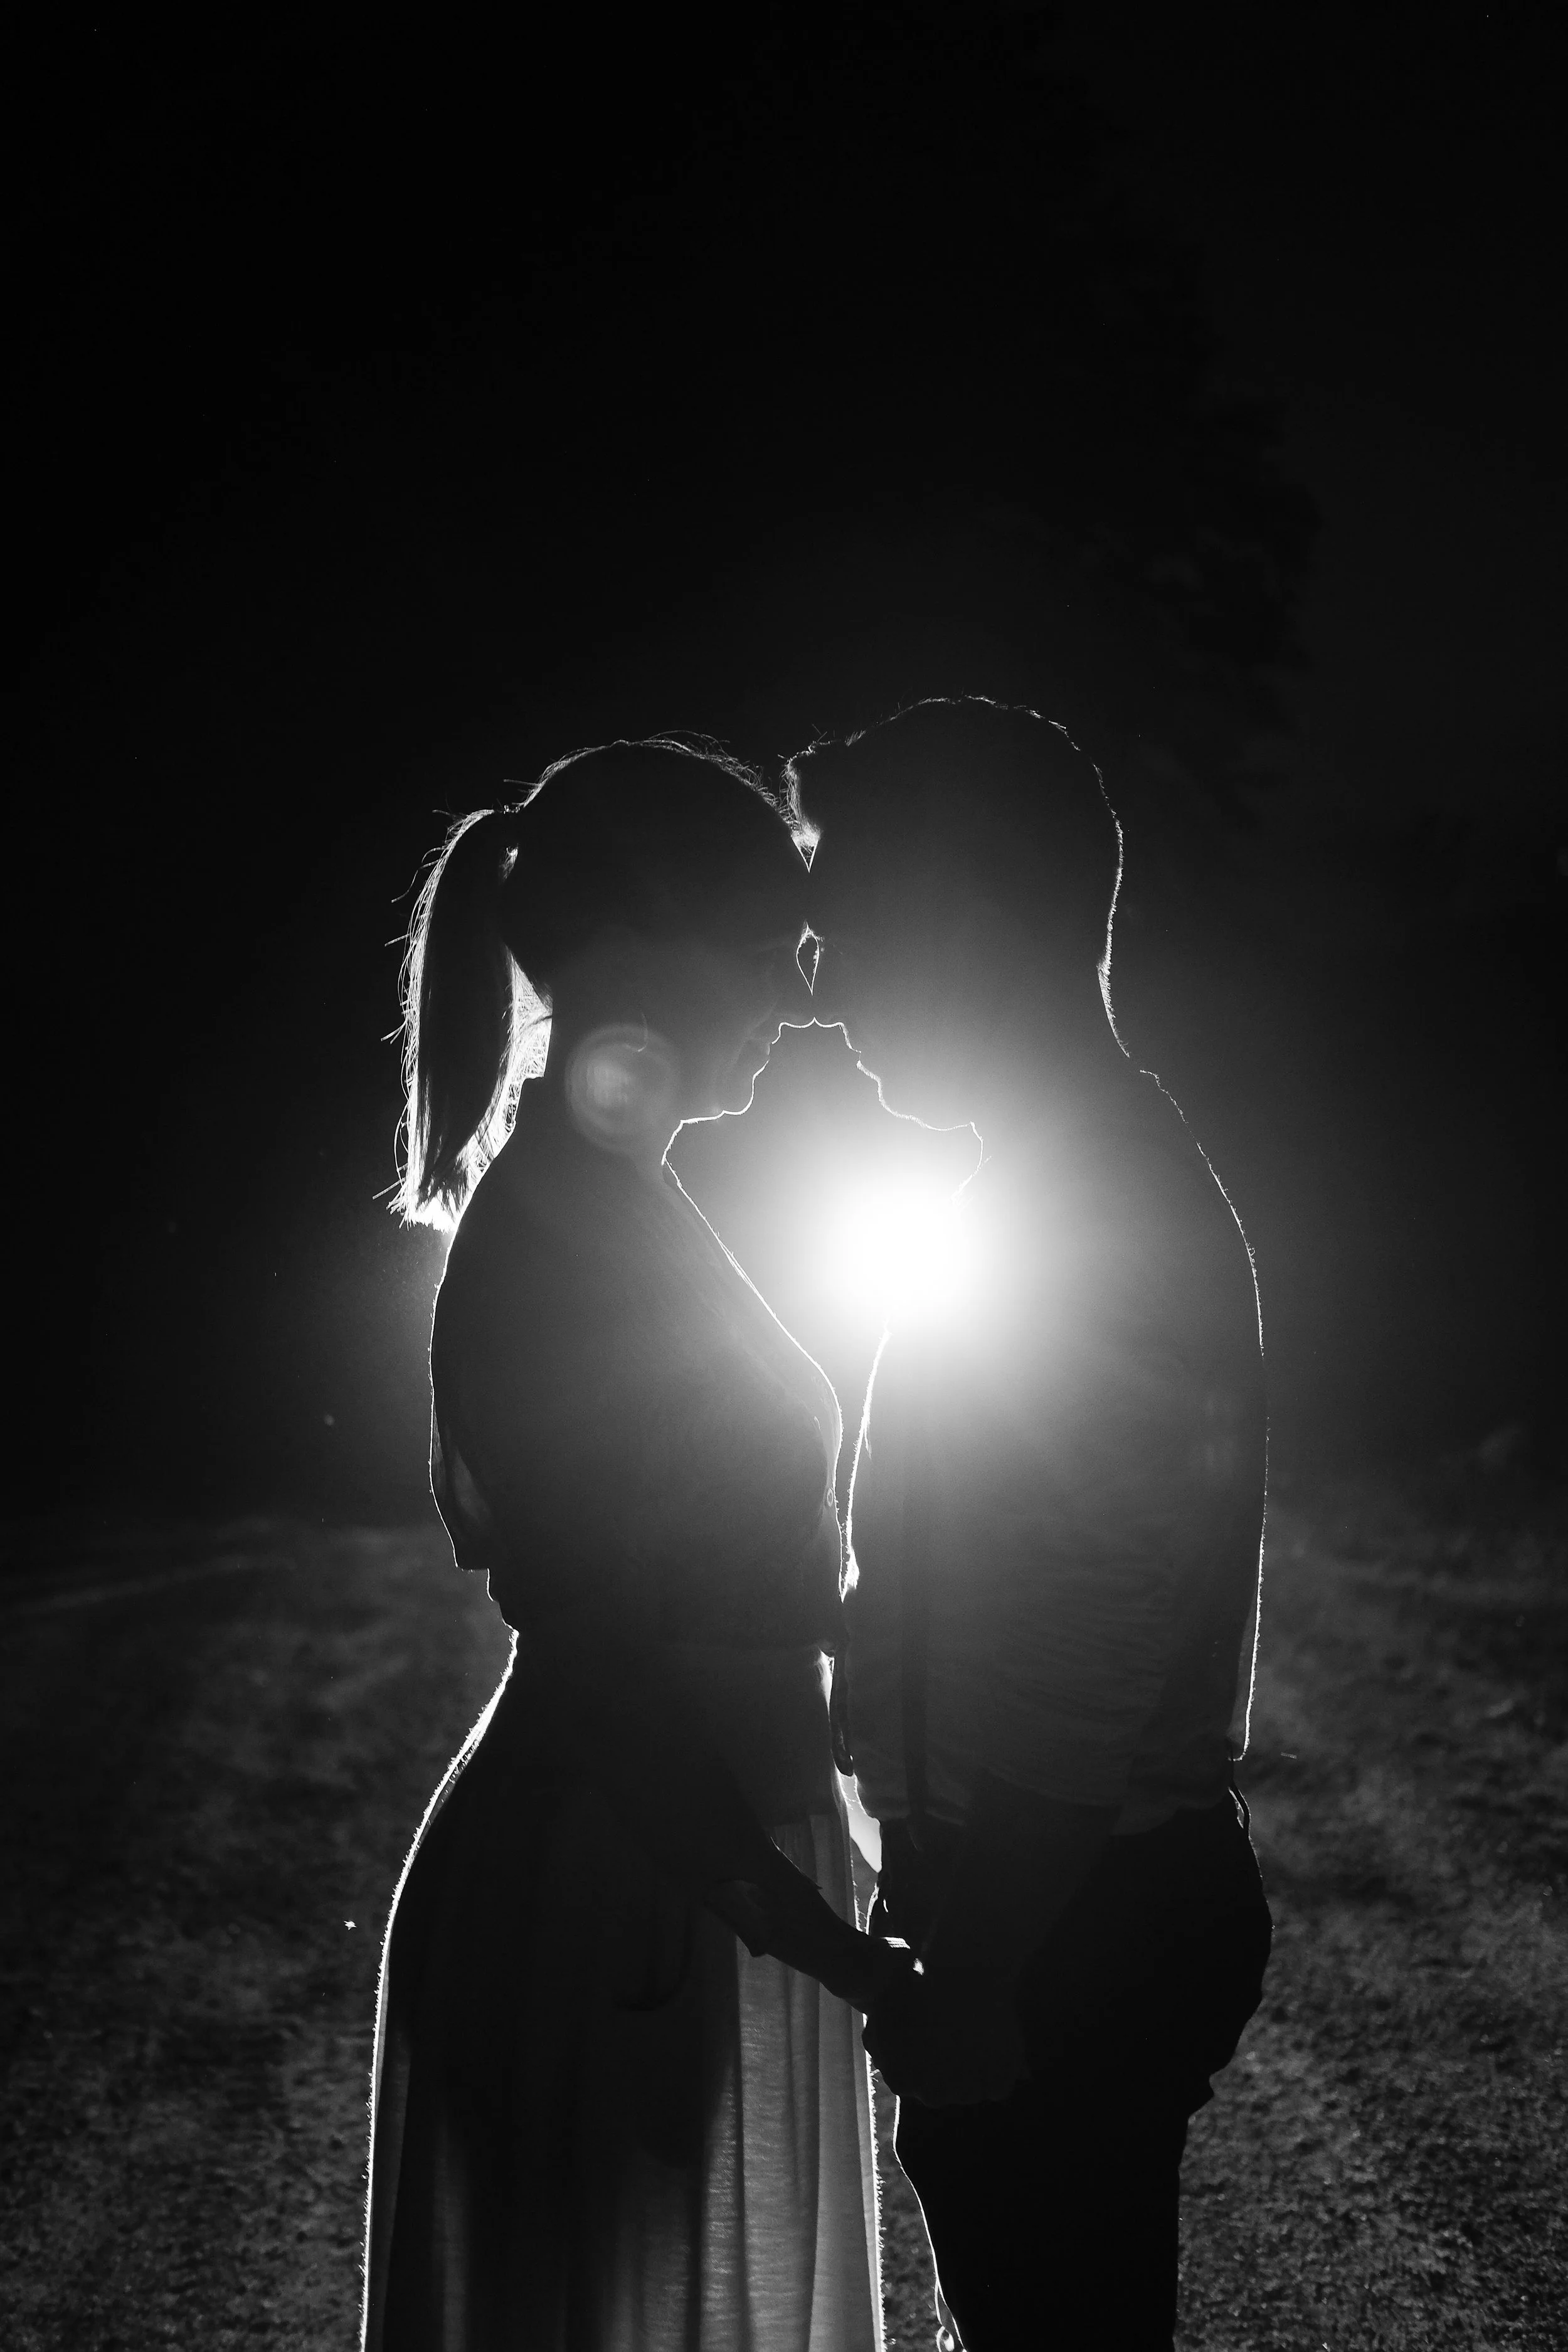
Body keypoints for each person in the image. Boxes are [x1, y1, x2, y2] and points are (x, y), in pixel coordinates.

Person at [363, 738, 903, 2352]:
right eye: (766, 948)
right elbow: (600, 1646)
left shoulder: (619, 1200)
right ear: (640, 948)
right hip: (626, 1883)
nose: (796, 995)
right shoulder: (560, 1233)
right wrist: (808, 1934)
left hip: (677, 1868)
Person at [793, 700, 1273, 2351]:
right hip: (1053, 1888)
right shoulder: (1046, 1181)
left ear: (970, 920)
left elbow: (1083, 1635)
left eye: (847, 924)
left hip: (1067, 1904)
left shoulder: (1087, 1211)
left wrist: (983, 1965)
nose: (821, 984)